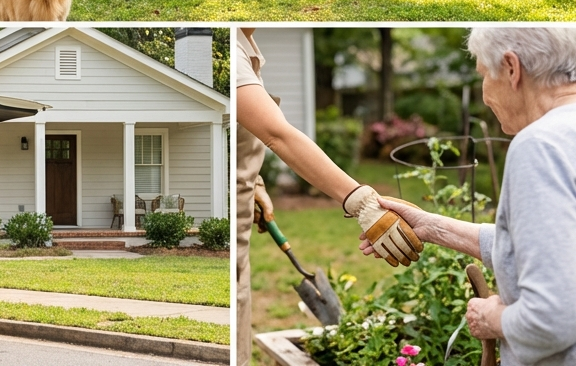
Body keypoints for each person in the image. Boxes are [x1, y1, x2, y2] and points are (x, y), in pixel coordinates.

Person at [360, 27, 576, 366]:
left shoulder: (540, 146)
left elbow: (552, 319)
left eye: (483, 75)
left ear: (510, 68)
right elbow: (553, 248)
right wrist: (431, 227)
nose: (485, 94)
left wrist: (492, 319)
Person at [236, 28, 422, 366]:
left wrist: (255, 183)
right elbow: (277, 133)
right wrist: (359, 200)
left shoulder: (244, 43)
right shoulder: (227, 49)